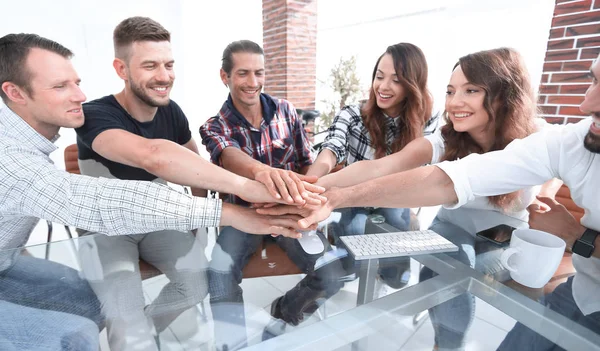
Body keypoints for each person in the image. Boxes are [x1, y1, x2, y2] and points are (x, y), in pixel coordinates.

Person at [264, 52, 600, 351]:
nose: (454, 103)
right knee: (435, 265)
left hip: (504, 238)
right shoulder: (445, 137)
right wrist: (316, 189)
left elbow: (558, 164)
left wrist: (545, 192)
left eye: (471, 90)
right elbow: (384, 167)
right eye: (451, 91)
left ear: (503, 96)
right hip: (451, 229)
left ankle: (446, 341)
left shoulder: (538, 135)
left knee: (446, 275)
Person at [0, 33, 307, 350]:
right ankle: (133, 336)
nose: (80, 94)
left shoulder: (171, 111)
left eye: (168, 64)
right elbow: (145, 163)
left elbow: (192, 163)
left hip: (23, 257)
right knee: (81, 329)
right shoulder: (67, 128)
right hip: (106, 225)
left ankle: (142, 331)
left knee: (182, 284)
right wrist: (236, 202)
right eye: (60, 86)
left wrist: (198, 223)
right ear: (122, 69)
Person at [200, 39, 345, 350]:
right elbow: (228, 156)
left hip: (290, 213)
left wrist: (306, 201)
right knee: (218, 274)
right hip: (244, 216)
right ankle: (231, 344)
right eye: (242, 73)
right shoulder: (214, 126)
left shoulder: (286, 111)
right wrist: (263, 173)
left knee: (332, 275)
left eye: (259, 72)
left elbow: (307, 162)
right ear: (224, 76)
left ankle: (283, 314)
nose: (253, 82)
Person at [307, 42, 436, 291]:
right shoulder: (354, 113)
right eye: (379, 76)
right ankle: (340, 237)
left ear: (412, 84)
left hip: (394, 195)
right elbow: (331, 148)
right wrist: (309, 183)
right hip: (352, 195)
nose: (383, 87)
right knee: (352, 257)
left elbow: (424, 169)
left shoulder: (428, 120)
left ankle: (383, 276)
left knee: (397, 277)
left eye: (396, 80)